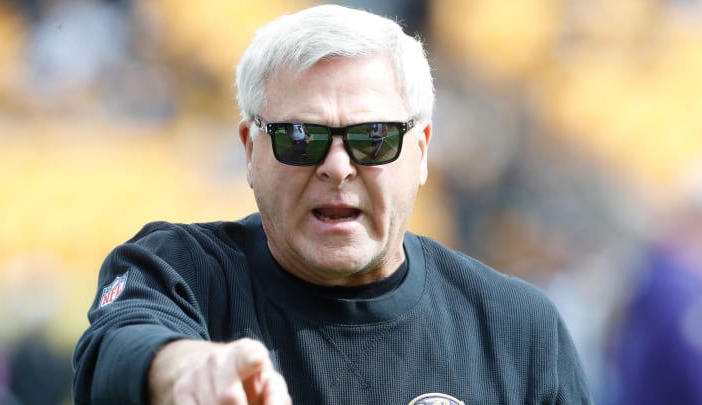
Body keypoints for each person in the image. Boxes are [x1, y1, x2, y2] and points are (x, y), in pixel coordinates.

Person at [72, 5, 592, 404]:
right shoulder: (180, 270)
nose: (338, 167)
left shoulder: (519, 329)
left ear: (422, 150)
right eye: (301, 138)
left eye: (373, 138)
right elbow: (113, 351)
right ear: (251, 151)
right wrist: (188, 370)